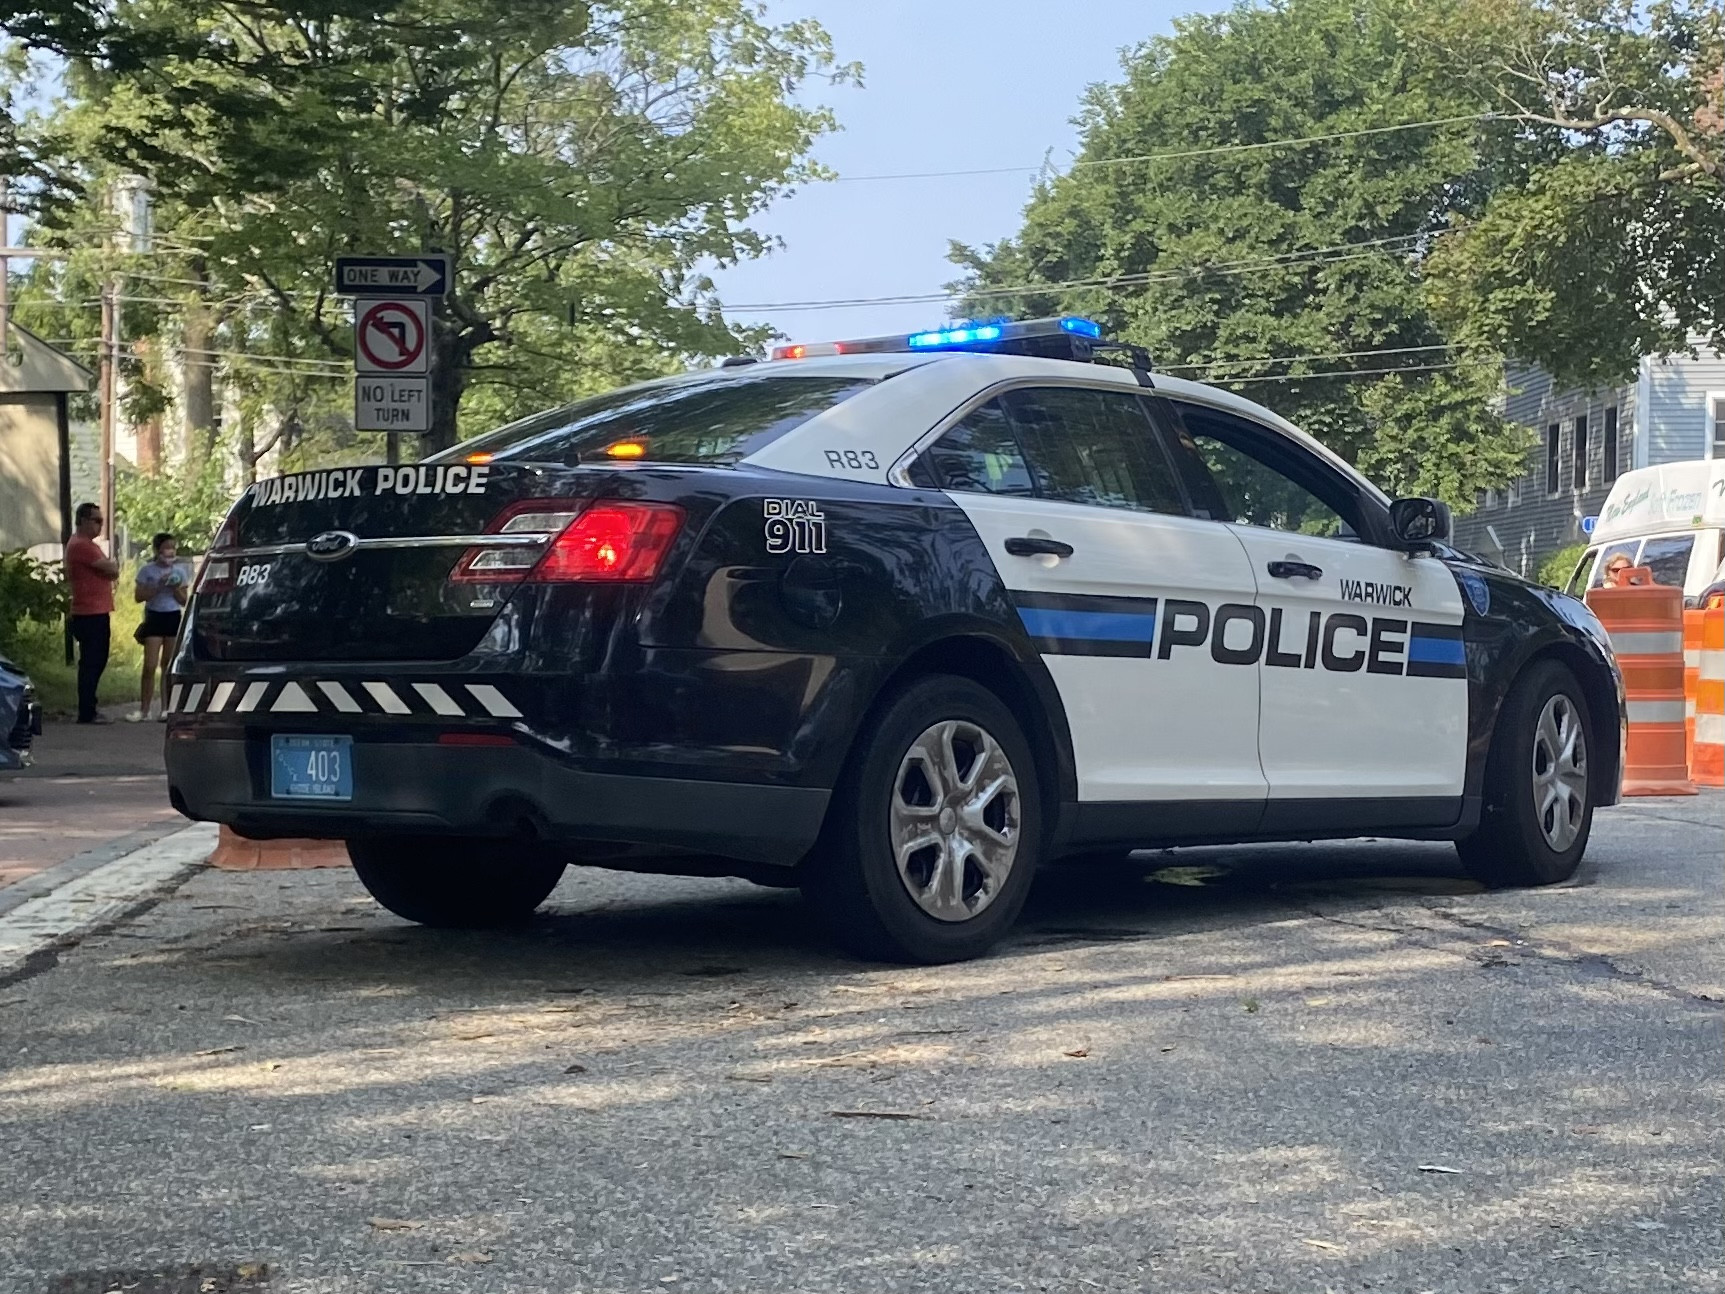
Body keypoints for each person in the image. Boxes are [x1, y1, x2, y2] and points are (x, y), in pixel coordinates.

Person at [65, 501, 120, 724]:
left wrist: (110, 568)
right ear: (84, 521)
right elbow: (111, 569)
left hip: (94, 610)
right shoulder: (82, 545)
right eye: (97, 521)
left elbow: (110, 570)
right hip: (89, 612)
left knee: (96, 660)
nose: (100, 526)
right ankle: (87, 710)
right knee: (92, 662)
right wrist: (111, 566)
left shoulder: (87, 544)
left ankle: (89, 707)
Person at [129, 532, 189, 722]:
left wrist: (175, 588)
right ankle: (144, 709)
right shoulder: (147, 570)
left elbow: (183, 600)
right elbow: (139, 597)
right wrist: (158, 585)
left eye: (173, 548)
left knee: (168, 665)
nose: (170, 552)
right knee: (149, 665)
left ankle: (166, 708)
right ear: (157, 550)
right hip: (154, 617)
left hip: (172, 616)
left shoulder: (180, 571)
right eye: (166, 548)